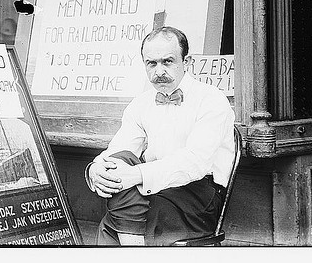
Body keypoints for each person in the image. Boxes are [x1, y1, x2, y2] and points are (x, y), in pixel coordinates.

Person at [85, 26, 235, 246]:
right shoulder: (141, 104)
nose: (159, 71)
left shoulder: (211, 99)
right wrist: (97, 168)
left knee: (116, 221)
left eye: (167, 61)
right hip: (155, 188)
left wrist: (136, 175)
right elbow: (120, 149)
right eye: (152, 63)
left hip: (199, 195)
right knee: (122, 160)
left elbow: (195, 162)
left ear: (187, 62)